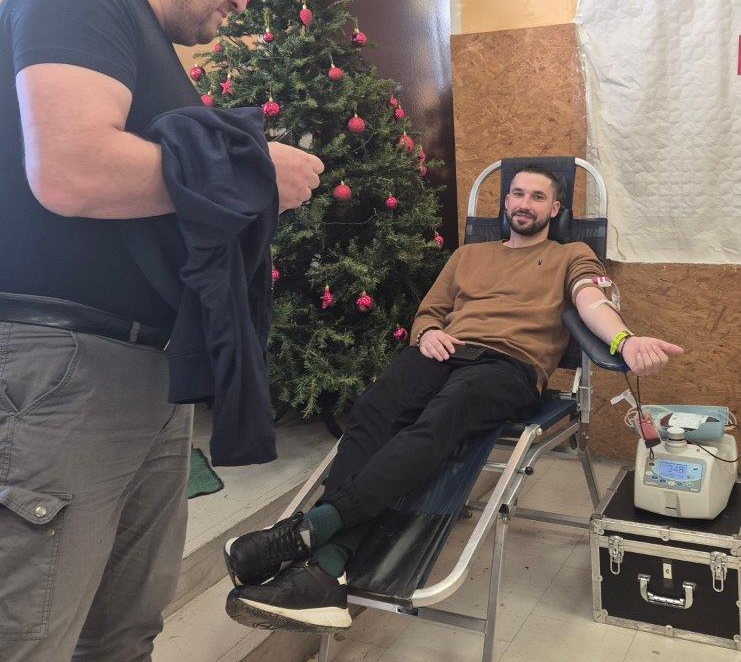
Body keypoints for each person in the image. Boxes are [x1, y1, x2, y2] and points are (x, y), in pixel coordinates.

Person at [0, 0, 323, 662]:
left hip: (143, 371)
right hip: (65, 365)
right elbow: (71, 170)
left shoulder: (151, 51)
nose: (241, 3)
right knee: (18, 656)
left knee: (124, 627)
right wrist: (251, 172)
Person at [225, 166, 684, 631]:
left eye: (538, 197)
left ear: (556, 208)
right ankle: (327, 571)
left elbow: (591, 301)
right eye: (517, 194)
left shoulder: (571, 254)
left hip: (509, 365)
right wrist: (427, 334)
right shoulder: (468, 255)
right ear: (505, 201)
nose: (525, 204)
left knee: (438, 421)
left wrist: (624, 340)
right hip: (444, 352)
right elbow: (430, 311)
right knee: (372, 410)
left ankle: (314, 533)